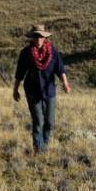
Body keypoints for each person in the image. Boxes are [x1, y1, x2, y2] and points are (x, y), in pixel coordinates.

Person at [13, 24, 71, 153]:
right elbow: (19, 73)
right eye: (35, 36)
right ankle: (39, 149)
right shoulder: (26, 53)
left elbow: (60, 69)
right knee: (38, 121)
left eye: (40, 36)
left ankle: (44, 144)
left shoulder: (53, 51)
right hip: (32, 91)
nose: (38, 39)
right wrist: (15, 90)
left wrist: (65, 84)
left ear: (45, 37)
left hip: (49, 90)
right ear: (32, 37)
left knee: (49, 122)